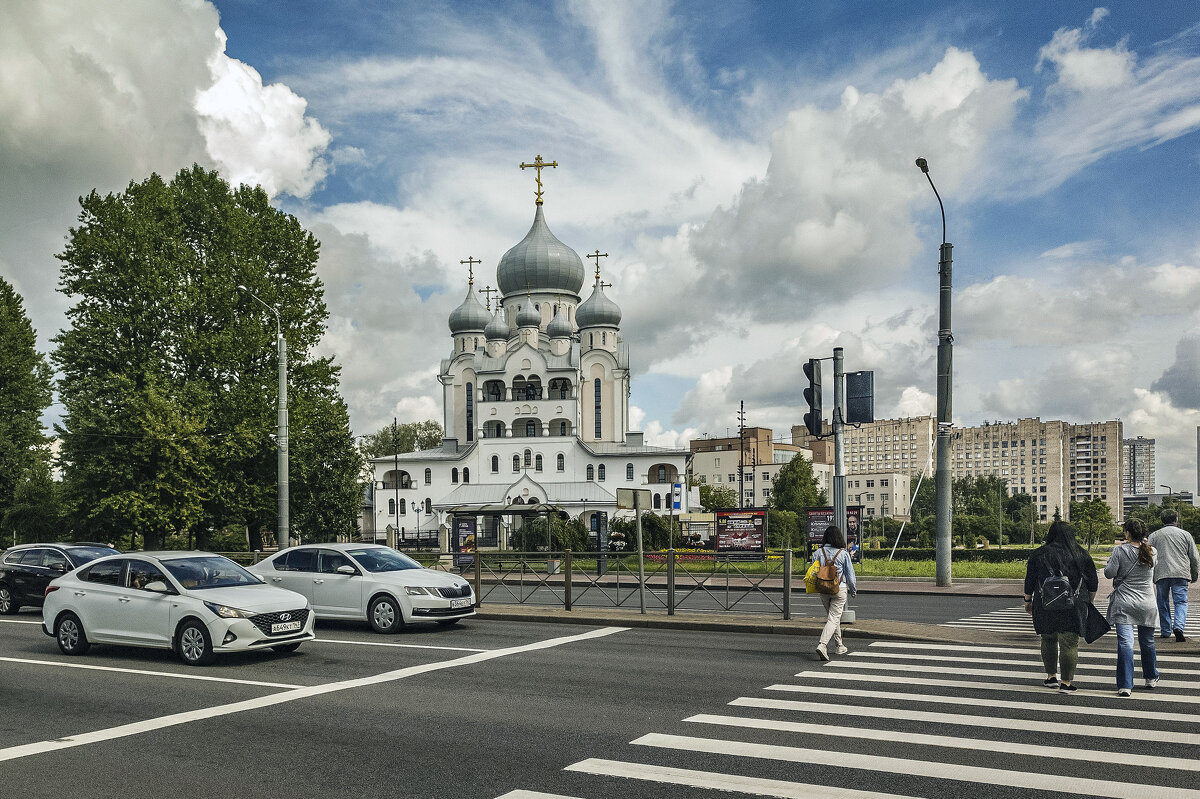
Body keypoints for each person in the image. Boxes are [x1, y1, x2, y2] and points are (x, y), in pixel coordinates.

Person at [1023, 520, 1098, 694]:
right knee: (1069, 644)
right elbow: (1093, 582)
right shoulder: (1080, 553)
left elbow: (1030, 580)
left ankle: (1051, 678)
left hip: (1044, 603)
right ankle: (1066, 682)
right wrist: (1089, 601)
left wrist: (1028, 600)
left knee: (1048, 639)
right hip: (1073, 605)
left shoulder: (1038, 554)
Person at [1105, 518, 1161, 697]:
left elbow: (1109, 573)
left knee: (1126, 643)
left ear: (1127, 533)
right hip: (1147, 603)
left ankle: (1125, 685)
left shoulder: (1120, 550)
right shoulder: (1152, 551)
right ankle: (1151, 677)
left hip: (1125, 603)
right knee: (1147, 642)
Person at [1147, 508, 1198, 642]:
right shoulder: (1185, 535)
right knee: (1181, 602)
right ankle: (1179, 627)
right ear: (1176, 520)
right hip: (1181, 573)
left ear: (1162, 520)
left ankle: (1165, 630)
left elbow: (1147, 556)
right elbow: (1194, 557)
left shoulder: (1154, 535)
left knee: (1162, 601)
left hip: (1161, 573)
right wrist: (1194, 574)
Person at [814, 524, 856, 661]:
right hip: (839, 589)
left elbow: (813, 571)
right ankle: (823, 645)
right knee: (833, 618)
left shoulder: (818, 552)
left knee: (833, 617)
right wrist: (853, 590)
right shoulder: (843, 553)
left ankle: (839, 645)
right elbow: (850, 574)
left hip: (823, 589)